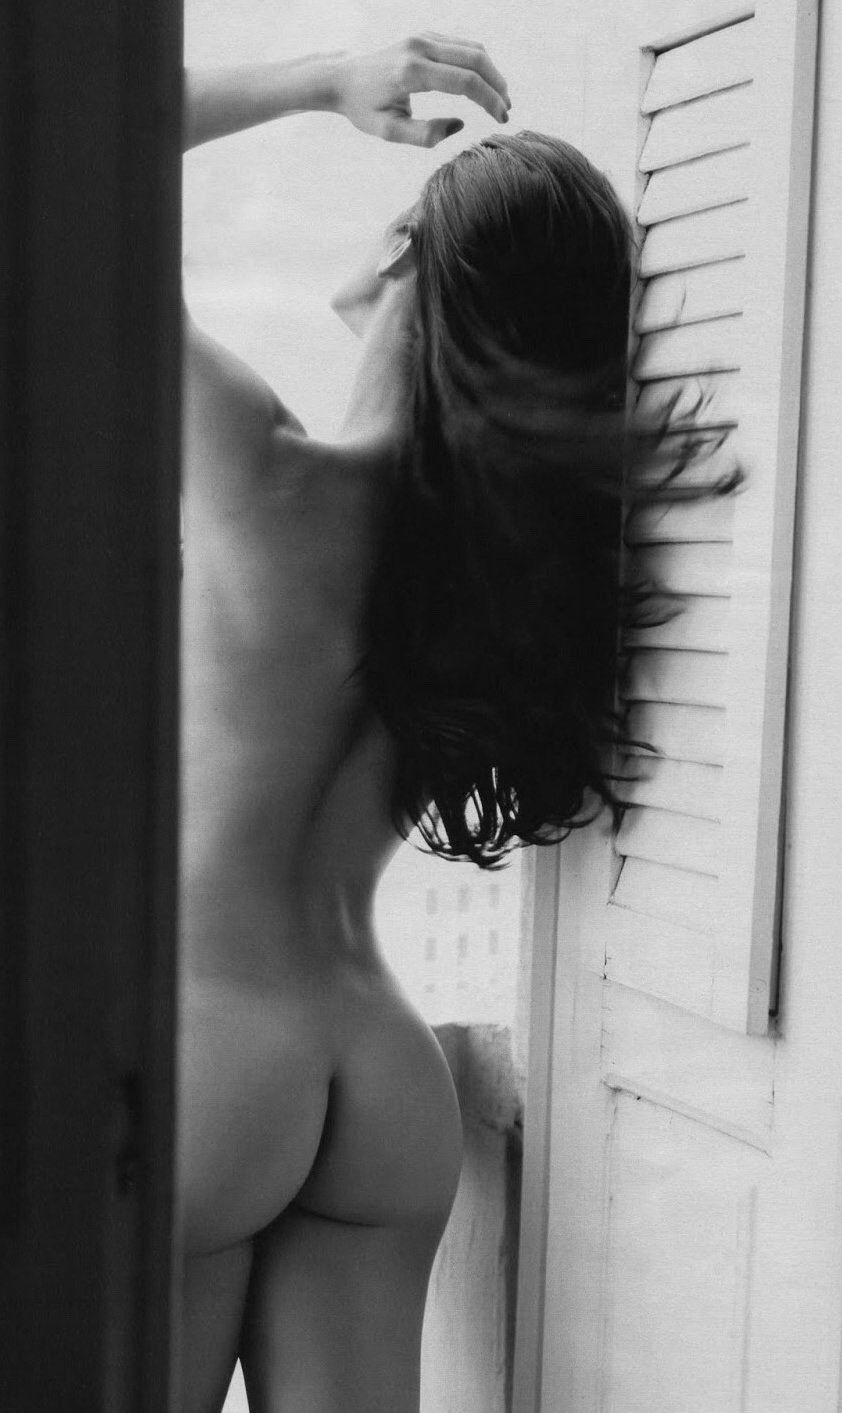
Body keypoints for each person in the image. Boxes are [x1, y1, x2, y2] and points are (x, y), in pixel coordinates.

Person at [177, 32, 728, 1413]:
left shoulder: (263, 478)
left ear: (406, 259)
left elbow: (51, 159)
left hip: (203, 1052)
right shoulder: (498, 577)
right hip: (378, 1069)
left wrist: (313, 81)